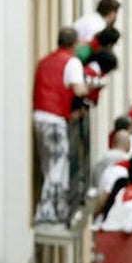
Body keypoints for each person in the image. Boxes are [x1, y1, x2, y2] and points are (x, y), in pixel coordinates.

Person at [32, 28, 89, 225]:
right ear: (75, 44)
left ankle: (48, 207)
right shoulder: (71, 62)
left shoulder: (45, 60)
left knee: (48, 164)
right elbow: (79, 90)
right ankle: (49, 210)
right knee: (57, 165)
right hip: (55, 117)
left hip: (39, 113)